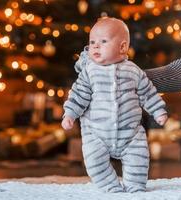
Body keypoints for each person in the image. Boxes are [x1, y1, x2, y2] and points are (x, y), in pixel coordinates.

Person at [61, 17, 168, 193]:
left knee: (139, 159)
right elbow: (79, 94)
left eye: (103, 41)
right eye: (92, 42)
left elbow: (147, 92)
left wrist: (158, 111)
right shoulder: (89, 72)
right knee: (94, 161)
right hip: (96, 134)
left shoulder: (134, 71)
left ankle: (135, 187)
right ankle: (110, 188)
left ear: (122, 47)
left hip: (130, 133)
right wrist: (70, 114)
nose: (95, 46)